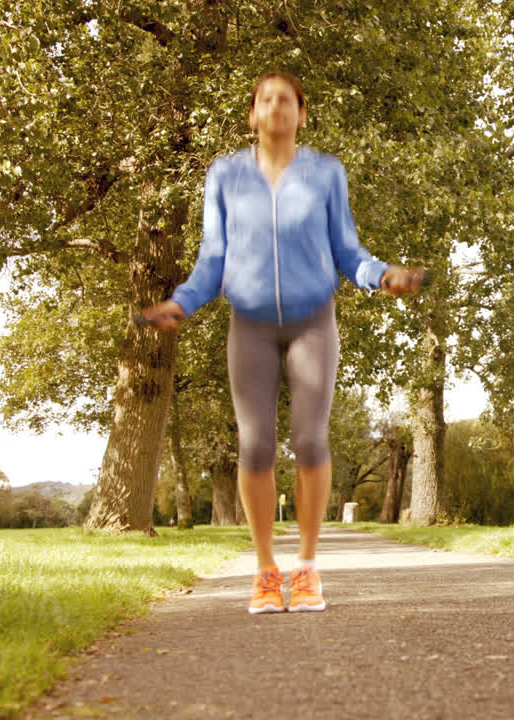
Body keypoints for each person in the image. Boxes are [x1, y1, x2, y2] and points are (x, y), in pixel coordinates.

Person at [141, 71, 424, 614]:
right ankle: (266, 570)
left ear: (301, 113)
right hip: (249, 324)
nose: (275, 108)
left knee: (311, 440)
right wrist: (182, 302)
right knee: (256, 446)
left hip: (311, 320)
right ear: (252, 114)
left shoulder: (325, 174)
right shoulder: (225, 175)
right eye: (265, 100)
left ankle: (309, 567)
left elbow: (347, 251)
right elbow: (212, 260)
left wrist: (382, 274)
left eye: (286, 100)